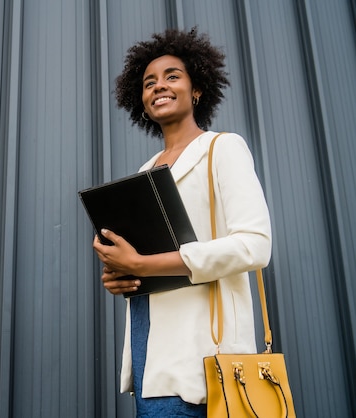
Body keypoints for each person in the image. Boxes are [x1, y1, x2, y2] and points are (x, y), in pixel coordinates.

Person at [92, 28, 272, 417]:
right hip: (149, 348)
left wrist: (143, 264)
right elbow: (144, 262)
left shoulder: (222, 148)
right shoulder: (144, 173)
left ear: (197, 90)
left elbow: (255, 245)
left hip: (203, 354)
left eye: (172, 76)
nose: (159, 86)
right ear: (140, 100)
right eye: (149, 82)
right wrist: (122, 274)